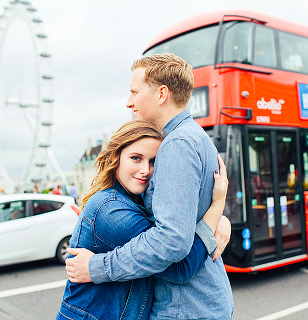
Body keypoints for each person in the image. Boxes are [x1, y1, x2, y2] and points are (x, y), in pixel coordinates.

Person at [66, 53, 234, 319]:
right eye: (136, 158)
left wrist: (96, 267)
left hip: (185, 307)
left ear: (161, 94)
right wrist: (217, 214)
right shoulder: (196, 137)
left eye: (134, 91)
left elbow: (173, 241)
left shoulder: (177, 145)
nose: (129, 102)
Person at [56, 120, 228, 319]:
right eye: (136, 158)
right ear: (116, 157)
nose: (146, 170)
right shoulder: (110, 210)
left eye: (153, 161)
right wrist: (216, 207)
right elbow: (182, 267)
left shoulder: (138, 199)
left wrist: (221, 219)